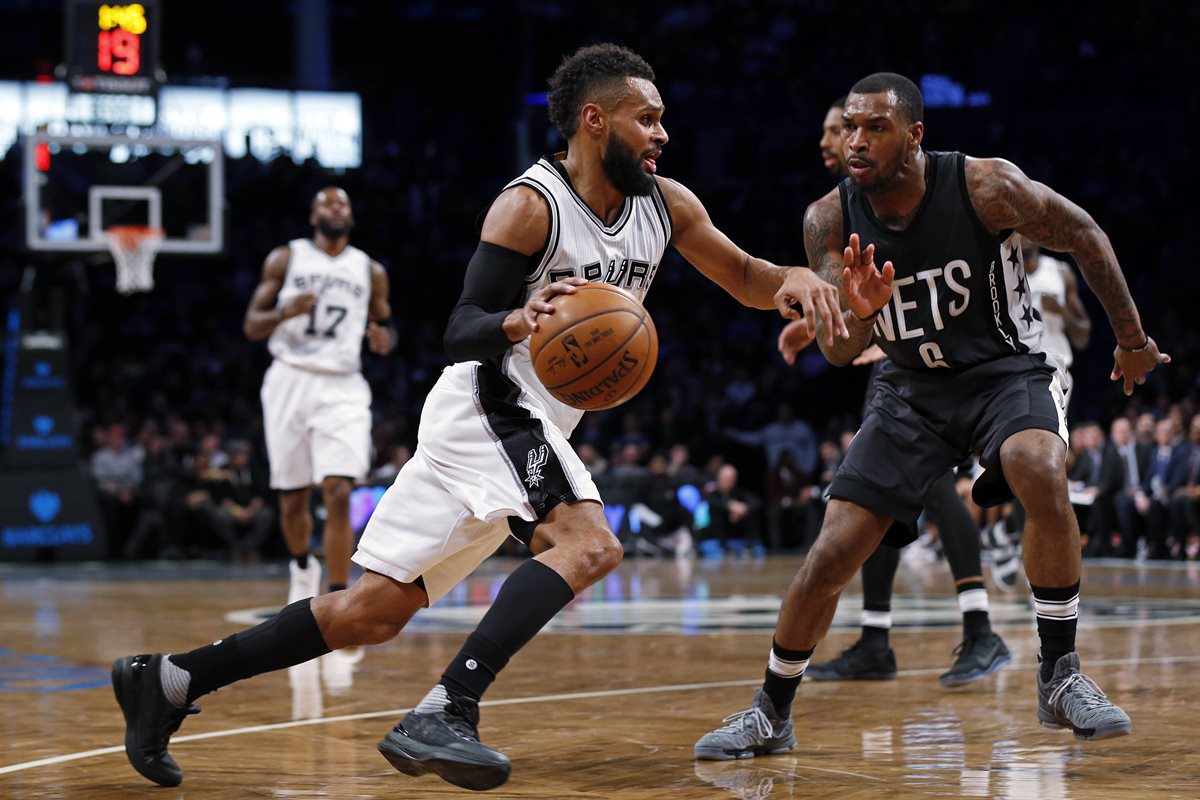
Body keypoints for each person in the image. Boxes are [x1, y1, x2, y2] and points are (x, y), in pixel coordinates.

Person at [110, 43, 842, 792]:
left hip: (520, 423)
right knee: (589, 545)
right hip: (490, 400)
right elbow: (460, 329)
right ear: (595, 120)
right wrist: (518, 322)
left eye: (662, 121)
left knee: (372, 610)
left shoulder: (668, 205)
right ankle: (446, 710)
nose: (662, 134)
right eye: (646, 118)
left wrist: (798, 280)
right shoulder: (531, 205)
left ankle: (168, 680)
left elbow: (748, 277)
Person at [695, 72, 1168, 761]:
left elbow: (1085, 235)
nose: (856, 141)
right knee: (832, 551)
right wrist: (856, 312)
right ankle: (771, 710)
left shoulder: (985, 186)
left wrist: (1132, 342)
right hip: (909, 387)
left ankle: (1060, 674)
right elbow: (838, 350)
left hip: (1003, 371)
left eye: (875, 127)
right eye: (849, 126)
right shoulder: (827, 219)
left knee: (1038, 463)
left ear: (915, 136)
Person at [781, 96, 1011, 687]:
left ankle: (980, 629)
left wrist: (898, 334)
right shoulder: (845, 207)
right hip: (892, 353)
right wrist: (817, 326)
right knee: (877, 496)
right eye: (835, 131)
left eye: (842, 129)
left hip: (924, 362)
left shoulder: (918, 189)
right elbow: (865, 284)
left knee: (929, 486)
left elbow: (936, 270)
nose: (833, 142)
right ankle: (877, 640)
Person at [243, 187, 395, 603]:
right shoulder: (286, 258)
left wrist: (383, 339)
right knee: (292, 498)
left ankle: (336, 596)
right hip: (290, 376)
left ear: (350, 214)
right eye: (327, 204)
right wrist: (283, 313)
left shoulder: (369, 269)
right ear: (313, 216)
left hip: (343, 382)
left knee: (339, 489)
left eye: (343, 204)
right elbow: (252, 326)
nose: (335, 210)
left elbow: (387, 325)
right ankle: (302, 564)